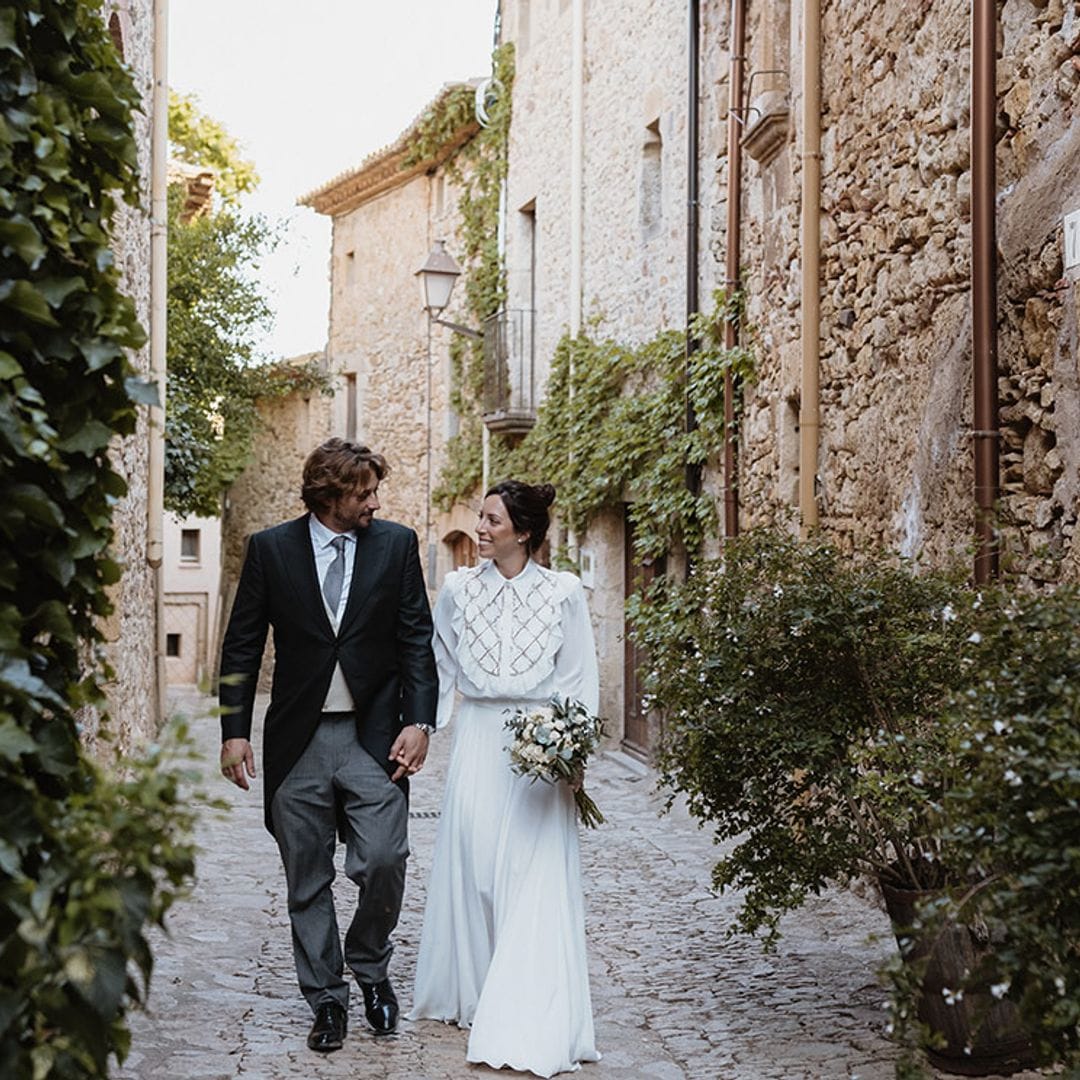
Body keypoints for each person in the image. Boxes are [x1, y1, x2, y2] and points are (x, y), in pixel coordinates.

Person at [218, 438, 438, 1054]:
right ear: (329, 495)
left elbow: (416, 639)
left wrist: (420, 721)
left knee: (385, 858)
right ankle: (327, 1000)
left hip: (373, 738)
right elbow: (241, 647)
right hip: (299, 738)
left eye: (374, 491)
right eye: (362, 492)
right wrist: (233, 730)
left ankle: (371, 969)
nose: (374, 501)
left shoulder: (396, 545)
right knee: (306, 880)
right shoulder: (270, 550)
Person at [411, 479, 601, 1077]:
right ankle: (477, 989)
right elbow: (439, 665)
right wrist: (425, 726)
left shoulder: (564, 592)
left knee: (530, 872)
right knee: (476, 870)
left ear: (524, 531)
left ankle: (527, 1005)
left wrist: (571, 749)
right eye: (479, 517)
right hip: (477, 742)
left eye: (492, 520)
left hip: (539, 746)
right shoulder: (459, 591)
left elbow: (576, 676)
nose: (481, 528)